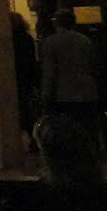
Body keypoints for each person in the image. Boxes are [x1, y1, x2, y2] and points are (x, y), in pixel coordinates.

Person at [40, 8, 100, 151]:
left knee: (67, 130)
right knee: (87, 127)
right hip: (86, 91)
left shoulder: (50, 42)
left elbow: (50, 72)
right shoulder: (85, 40)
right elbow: (93, 64)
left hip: (64, 92)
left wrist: (45, 93)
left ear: (57, 23)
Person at [9, 12, 40, 150]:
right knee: (26, 110)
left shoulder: (11, 40)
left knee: (22, 111)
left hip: (17, 78)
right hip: (26, 78)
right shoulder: (26, 38)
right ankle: (34, 138)